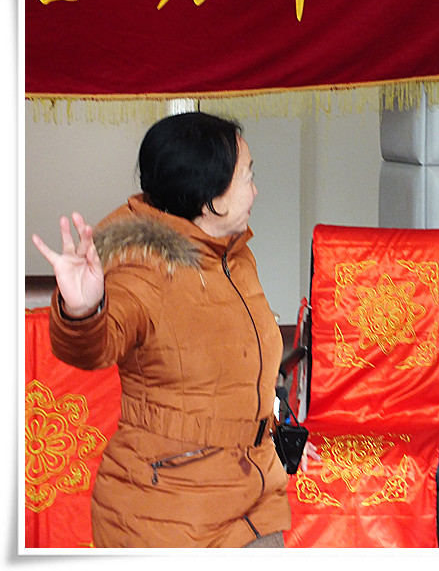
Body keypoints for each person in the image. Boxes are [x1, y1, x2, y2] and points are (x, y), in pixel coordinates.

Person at [32, 112, 318, 548]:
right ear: (209, 200)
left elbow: (238, 367)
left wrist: (273, 425)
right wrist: (83, 308)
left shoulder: (233, 254)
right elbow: (93, 347)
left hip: (252, 496)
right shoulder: (141, 265)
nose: (256, 190)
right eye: (248, 177)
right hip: (167, 513)